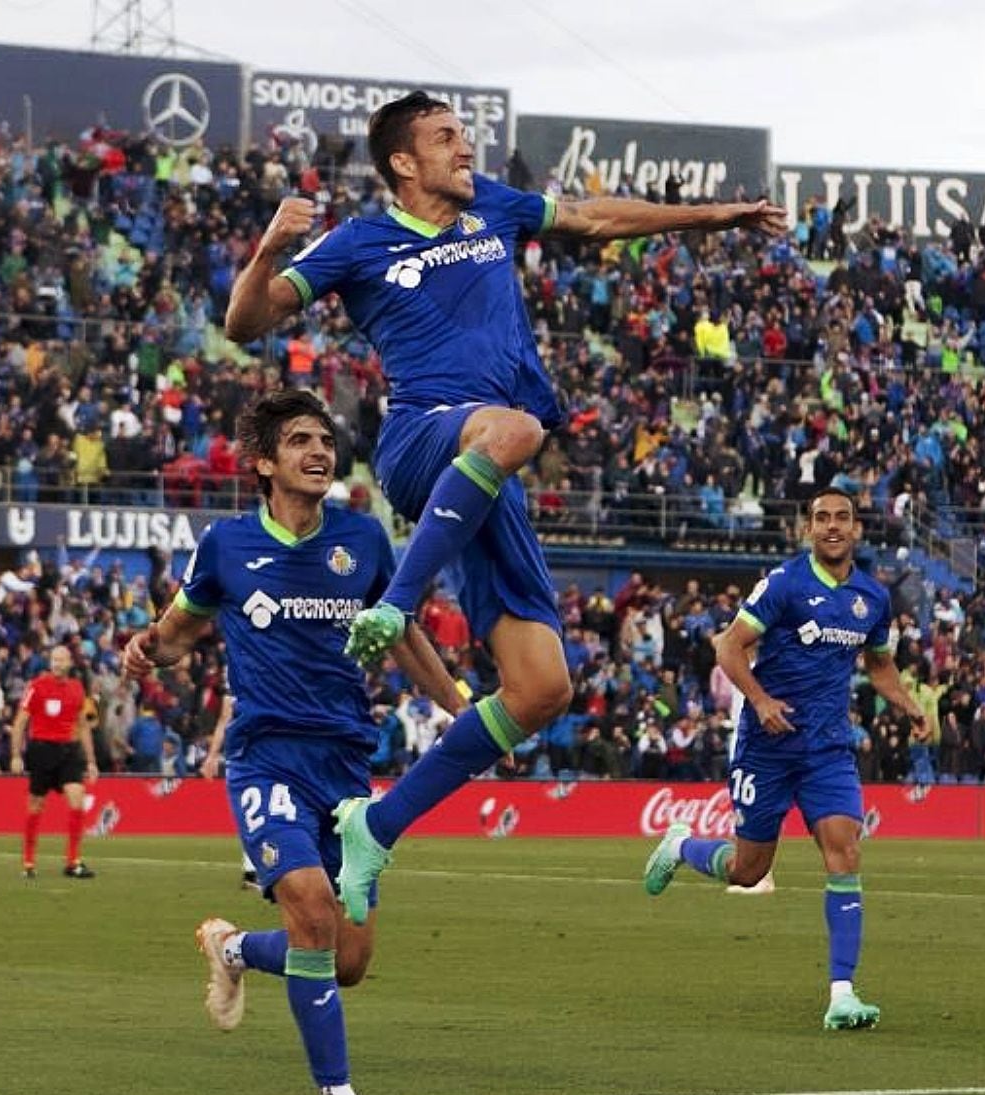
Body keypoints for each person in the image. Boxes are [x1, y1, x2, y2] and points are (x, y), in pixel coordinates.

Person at [224, 89, 786, 925]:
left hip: (485, 473)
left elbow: (595, 219)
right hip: (424, 438)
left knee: (542, 687)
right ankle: (397, 602)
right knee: (513, 427)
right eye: (446, 137)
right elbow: (245, 322)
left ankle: (374, 827)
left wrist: (716, 215)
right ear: (403, 162)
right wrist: (268, 251)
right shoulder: (360, 242)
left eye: (464, 133)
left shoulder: (492, 208)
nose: (465, 147)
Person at [122, 390, 465, 1095]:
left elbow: (399, 631)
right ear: (264, 462)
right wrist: (148, 646)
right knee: (309, 909)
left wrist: (457, 703)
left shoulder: (363, 540)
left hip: (345, 760)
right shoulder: (227, 546)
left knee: (346, 960)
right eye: (301, 440)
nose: (319, 451)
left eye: (325, 439)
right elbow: (179, 630)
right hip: (265, 753)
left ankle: (234, 947)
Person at [642, 487, 929, 1031]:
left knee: (844, 853)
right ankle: (682, 845)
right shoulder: (785, 584)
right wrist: (759, 699)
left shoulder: (873, 598)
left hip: (827, 751)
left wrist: (911, 705)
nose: (832, 526)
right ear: (808, 529)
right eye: (821, 518)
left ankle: (842, 993)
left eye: (842, 517)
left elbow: (880, 665)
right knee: (749, 872)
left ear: (858, 530)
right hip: (767, 749)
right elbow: (728, 646)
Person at [9, 644, 100, 879]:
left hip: (69, 751)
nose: (57, 664)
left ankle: (73, 862)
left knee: (77, 799)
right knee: (36, 805)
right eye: (54, 660)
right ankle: (28, 863)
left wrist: (91, 761)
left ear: (70, 662)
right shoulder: (37, 687)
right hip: (42, 750)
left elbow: (83, 726)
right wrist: (16, 755)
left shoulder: (77, 689)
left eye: (62, 660)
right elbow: (20, 722)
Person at [200, 692, 258, 890]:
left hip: (261, 756)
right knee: (251, 811)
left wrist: (213, 755)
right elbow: (224, 720)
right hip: (247, 758)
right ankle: (252, 872)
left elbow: (224, 720)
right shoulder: (236, 692)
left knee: (254, 812)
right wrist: (212, 755)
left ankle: (256, 870)